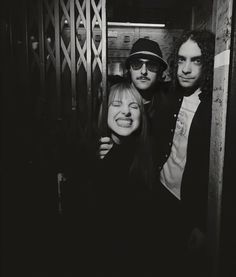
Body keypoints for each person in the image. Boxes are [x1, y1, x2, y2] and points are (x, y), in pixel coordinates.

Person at [151, 29, 215, 276]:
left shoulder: (215, 106)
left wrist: (201, 224)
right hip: (161, 190)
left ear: (207, 63)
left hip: (188, 206)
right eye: (181, 59)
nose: (185, 69)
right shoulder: (170, 95)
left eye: (196, 60)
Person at [94, 81, 156, 275]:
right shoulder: (92, 154)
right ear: (105, 111)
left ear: (141, 116)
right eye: (117, 104)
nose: (126, 112)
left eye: (133, 106)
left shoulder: (147, 157)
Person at [99, 38, 168, 159]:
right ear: (129, 69)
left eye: (151, 65)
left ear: (160, 71)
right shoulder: (111, 93)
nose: (144, 71)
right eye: (137, 64)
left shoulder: (166, 104)